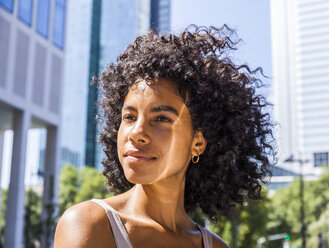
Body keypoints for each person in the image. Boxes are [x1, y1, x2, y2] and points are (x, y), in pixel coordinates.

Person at [54, 25, 274, 248]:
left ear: (197, 142)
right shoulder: (90, 225)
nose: (137, 133)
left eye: (161, 119)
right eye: (129, 117)